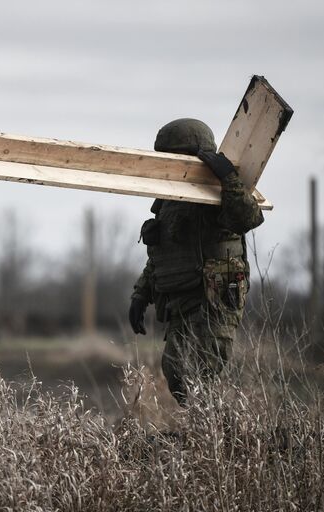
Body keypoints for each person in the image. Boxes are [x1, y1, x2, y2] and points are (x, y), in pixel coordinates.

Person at [129, 118, 264, 406]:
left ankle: (223, 438)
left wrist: (228, 179)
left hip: (213, 296)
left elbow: (247, 217)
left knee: (201, 374)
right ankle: (207, 434)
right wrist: (141, 294)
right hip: (183, 296)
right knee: (176, 371)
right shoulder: (171, 199)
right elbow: (163, 254)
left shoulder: (218, 189)